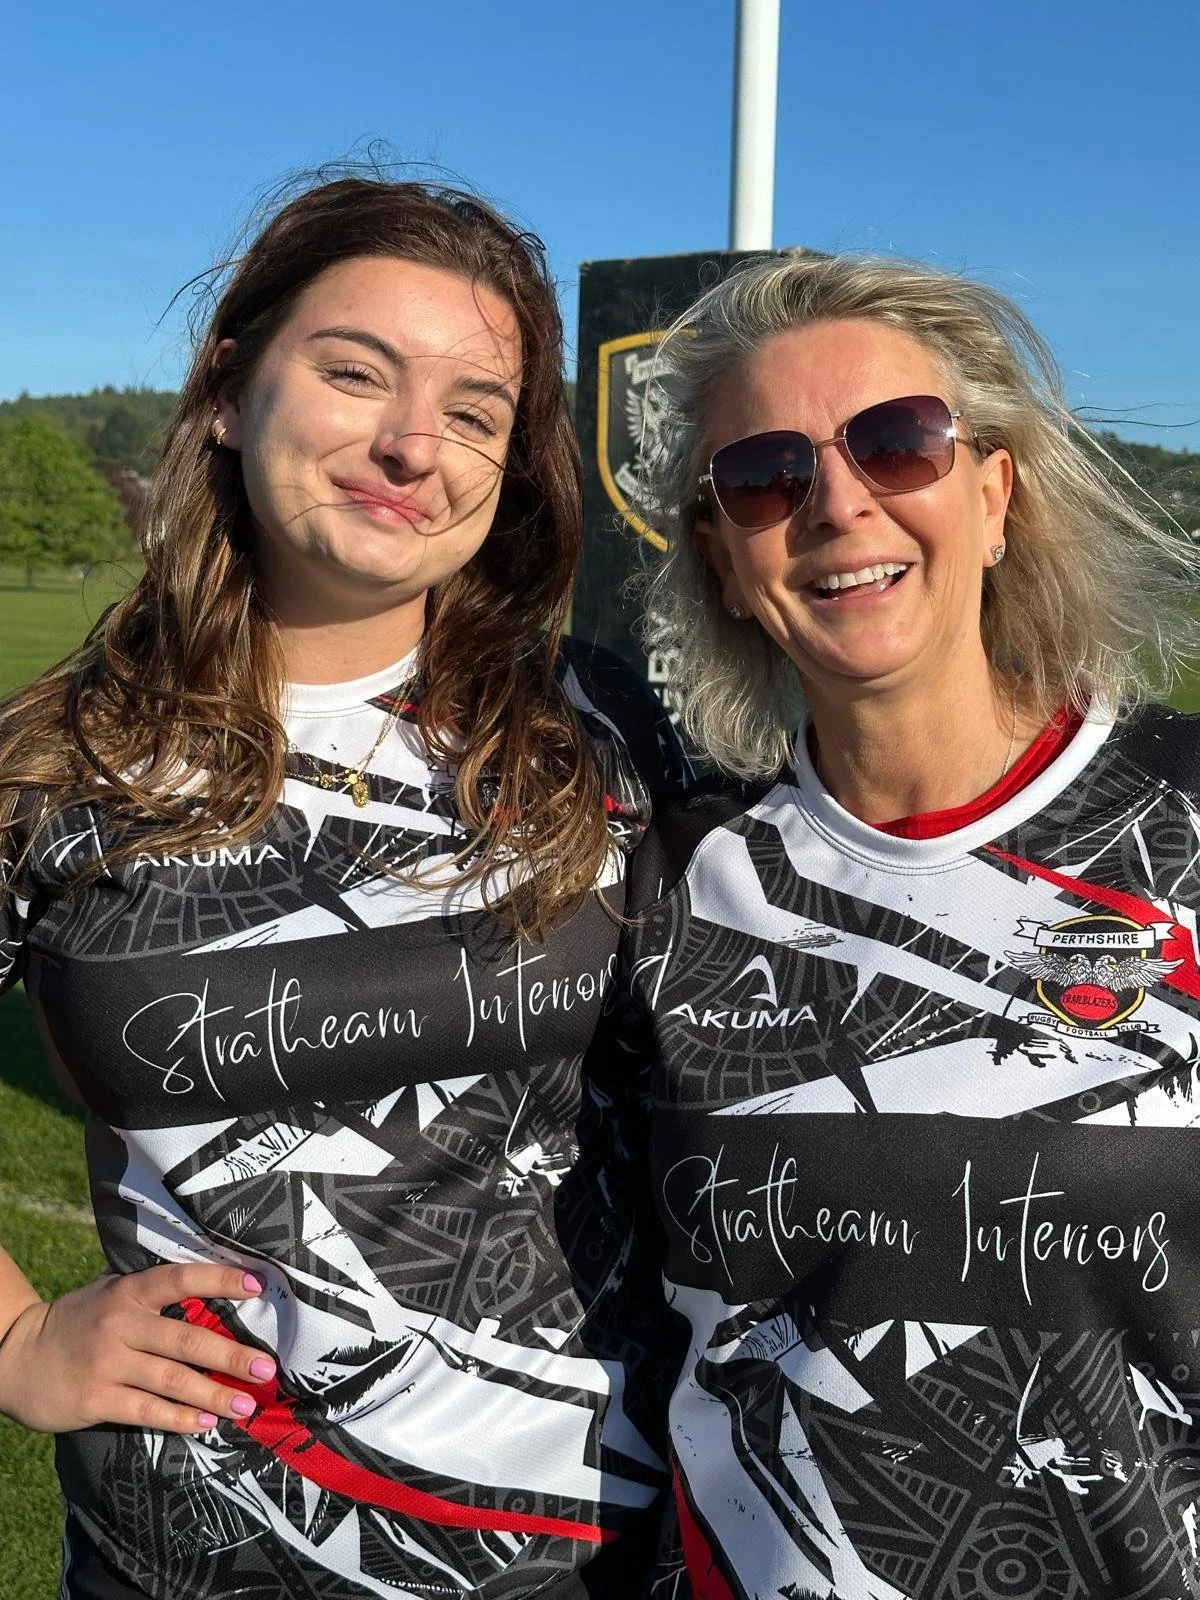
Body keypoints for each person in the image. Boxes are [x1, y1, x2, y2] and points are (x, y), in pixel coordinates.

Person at [0, 175, 688, 1598]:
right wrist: (17, 1343)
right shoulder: (57, 763)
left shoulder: (602, 733)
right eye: (354, 371)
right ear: (228, 388)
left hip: (586, 1556)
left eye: (476, 411)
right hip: (190, 1555)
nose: (411, 442)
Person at [614, 251, 1200, 1599]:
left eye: (897, 443)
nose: (835, 501)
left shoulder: (1182, 817)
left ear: (995, 496)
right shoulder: (673, 881)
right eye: (767, 476)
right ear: (722, 551)